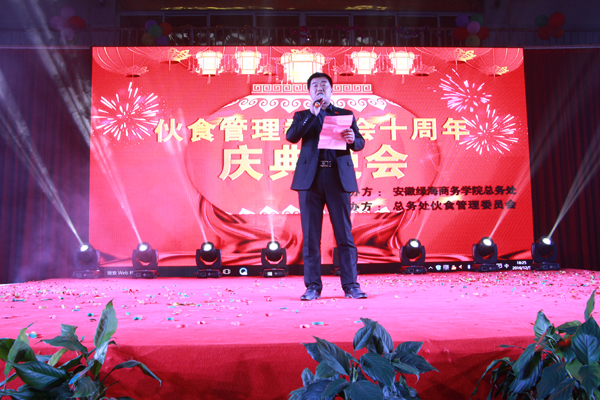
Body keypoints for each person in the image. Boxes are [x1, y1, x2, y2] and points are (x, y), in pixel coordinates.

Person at [286, 72, 367, 301]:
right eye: (315, 85)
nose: (320, 88)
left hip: (337, 178)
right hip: (310, 181)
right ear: (309, 91)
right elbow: (292, 137)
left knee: (344, 235)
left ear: (331, 90)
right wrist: (311, 115)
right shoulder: (302, 115)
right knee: (311, 236)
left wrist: (352, 139)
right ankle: (313, 286)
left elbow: (359, 143)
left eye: (324, 85)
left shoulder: (345, 114)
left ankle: (351, 285)